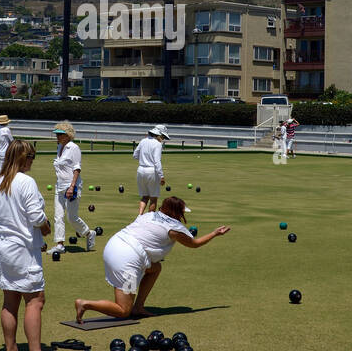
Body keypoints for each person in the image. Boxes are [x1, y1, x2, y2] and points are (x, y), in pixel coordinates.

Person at [74, 196, 230, 323]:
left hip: (113, 245)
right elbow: (194, 244)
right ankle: (85, 304)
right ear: (176, 213)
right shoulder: (175, 228)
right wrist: (215, 233)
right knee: (123, 311)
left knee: (155, 268)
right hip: (127, 259)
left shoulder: (150, 214)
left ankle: (139, 307)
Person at [0, 140, 60, 351]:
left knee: (10, 299)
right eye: (31, 156)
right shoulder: (26, 182)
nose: (33, 160)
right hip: (21, 249)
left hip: (1, 248)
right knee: (35, 300)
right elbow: (36, 217)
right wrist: (46, 227)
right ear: (22, 158)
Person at [51, 121, 95, 254]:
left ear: (68, 135)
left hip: (72, 186)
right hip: (59, 185)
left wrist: (72, 187)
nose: (57, 137)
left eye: (60, 134)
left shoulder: (74, 148)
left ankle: (88, 233)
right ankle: (59, 245)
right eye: (57, 134)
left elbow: (77, 168)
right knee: (58, 216)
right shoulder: (60, 147)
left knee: (71, 217)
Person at [132, 125, 168, 214]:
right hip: (152, 171)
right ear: (158, 134)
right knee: (153, 198)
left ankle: (139, 217)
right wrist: (161, 176)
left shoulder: (143, 141)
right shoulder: (158, 144)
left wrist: (144, 159)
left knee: (144, 197)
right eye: (162, 136)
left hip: (140, 170)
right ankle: (149, 220)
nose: (162, 138)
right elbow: (157, 161)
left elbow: (135, 155)